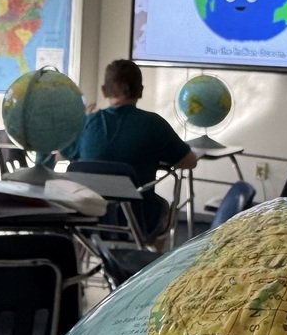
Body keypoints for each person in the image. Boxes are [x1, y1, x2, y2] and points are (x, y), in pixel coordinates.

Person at [60, 59, 197, 245]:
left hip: (87, 218)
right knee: (164, 208)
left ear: (104, 90)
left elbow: (61, 155)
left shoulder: (86, 124)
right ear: (140, 91)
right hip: (138, 222)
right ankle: (148, 268)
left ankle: (87, 261)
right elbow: (189, 162)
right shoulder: (154, 124)